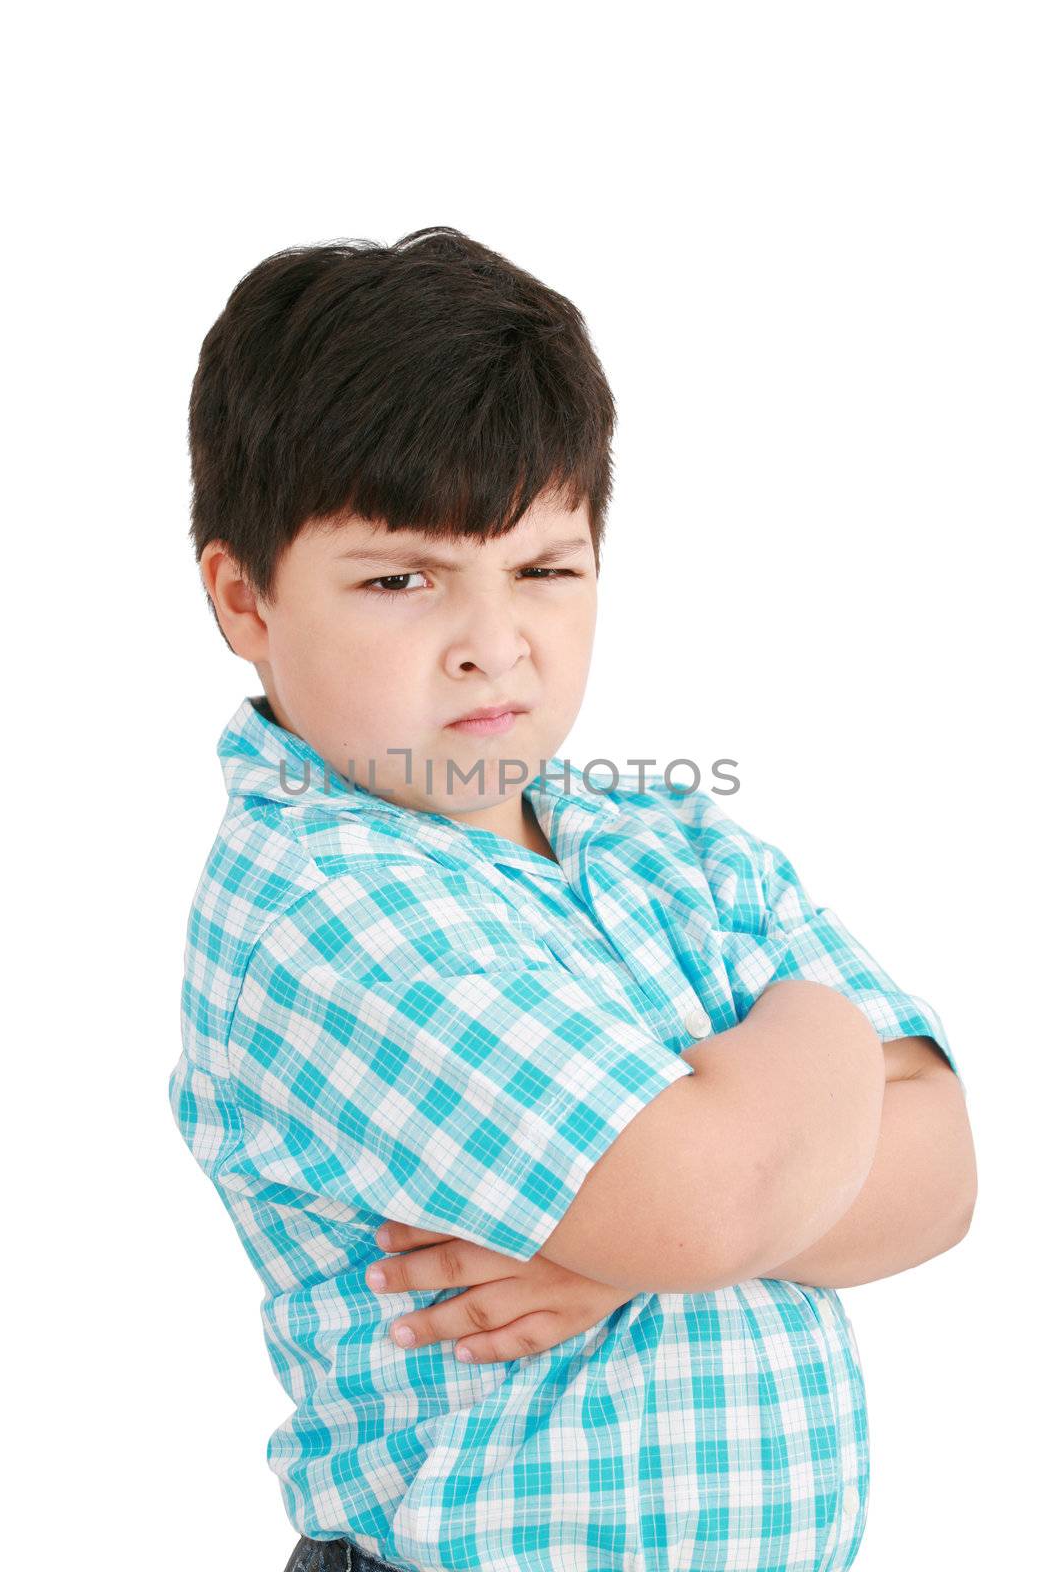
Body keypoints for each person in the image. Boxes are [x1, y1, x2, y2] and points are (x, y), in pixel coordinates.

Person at [167, 226, 977, 1572]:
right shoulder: (320, 899)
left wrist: (645, 1241)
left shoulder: (668, 843)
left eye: (547, 568)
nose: (496, 639)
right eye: (400, 579)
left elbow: (946, 1176)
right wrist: (819, 1036)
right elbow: (712, 1200)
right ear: (246, 600)